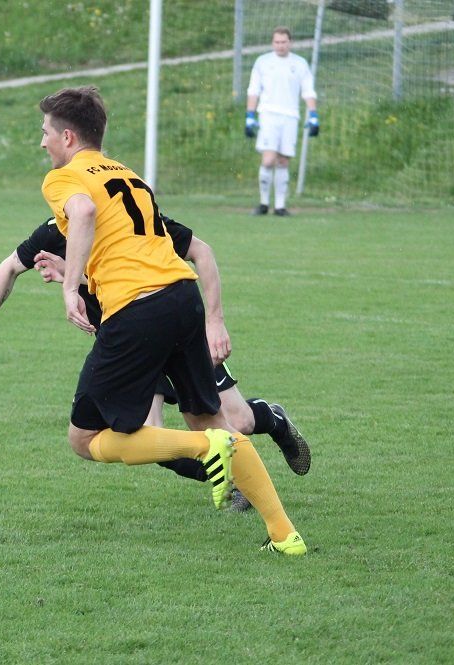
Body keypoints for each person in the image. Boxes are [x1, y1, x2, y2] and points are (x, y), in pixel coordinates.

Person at [38, 86, 305, 554]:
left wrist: (69, 286)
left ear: (67, 137)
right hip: (183, 297)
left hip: (137, 310)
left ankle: (204, 450)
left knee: (84, 438)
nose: (42, 142)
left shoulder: (63, 178)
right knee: (209, 419)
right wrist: (84, 275)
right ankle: (285, 535)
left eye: (45, 133)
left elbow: (83, 211)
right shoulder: (128, 175)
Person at [0, 215, 311, 495]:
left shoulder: (134, 220)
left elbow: (200, 253)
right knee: (150, 436)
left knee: (239, 422)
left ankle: (272, 419)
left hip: (174, 330)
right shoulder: (54, 231)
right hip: (131, 347)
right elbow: (9, 267)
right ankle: (233, 480)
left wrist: (215, 322)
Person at [244, 26, 319, 217]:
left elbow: (308, 91)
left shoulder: (300, 63)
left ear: (290, 43)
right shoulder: (262, 62)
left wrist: (313, 114)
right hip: (268, 115)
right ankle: (263, 203)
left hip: (290, 116)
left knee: (283, 161)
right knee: (268, 160)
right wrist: (250, 115)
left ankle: (280, 206)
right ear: (272, 43)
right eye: (277, 42)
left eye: (283, 42)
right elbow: (254, 90)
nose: (280, 45)